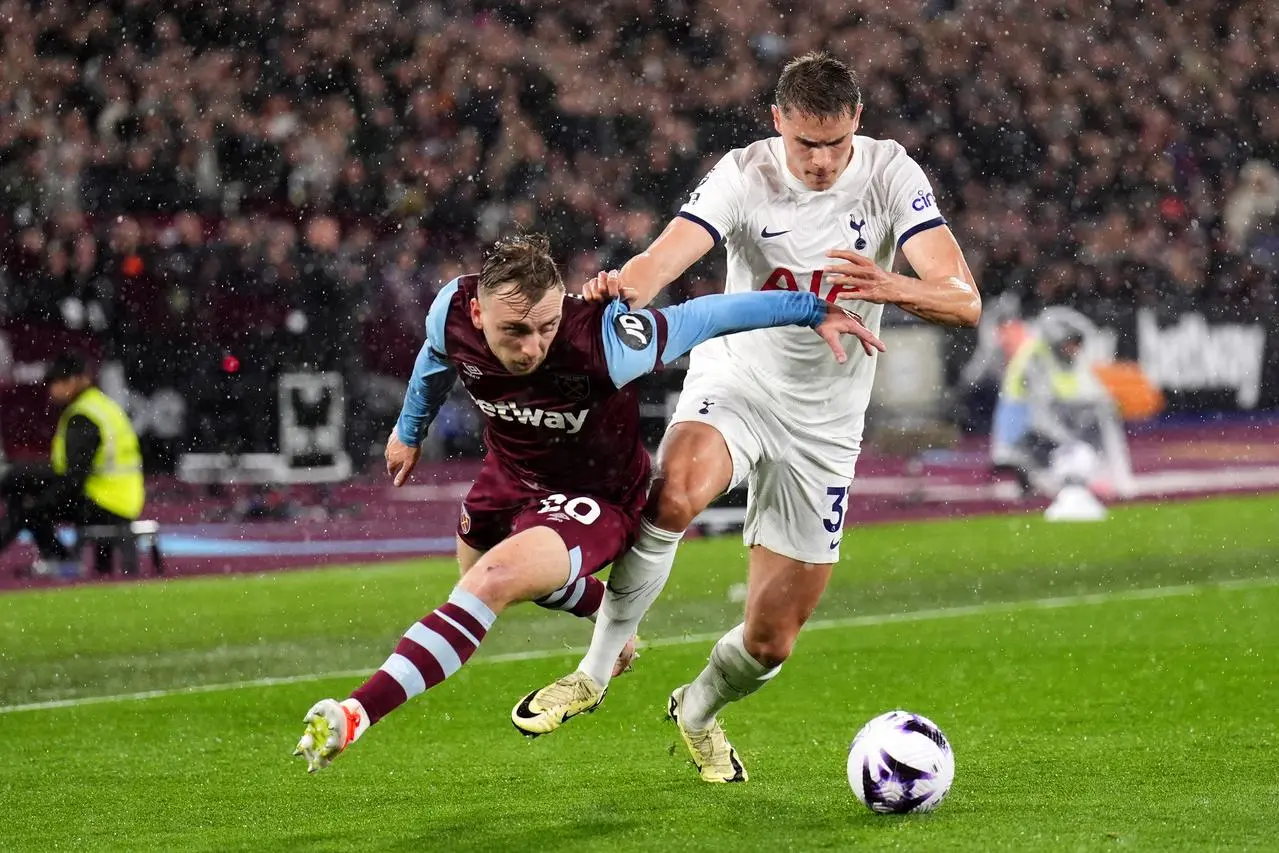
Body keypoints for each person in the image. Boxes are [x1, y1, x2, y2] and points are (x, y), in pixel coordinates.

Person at [514, 52, 982, 783]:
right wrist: (617, 291)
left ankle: (696, 710)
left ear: (856, 121)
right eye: (805, 144)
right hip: (738, 379)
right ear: (777, 124)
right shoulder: (742, 174)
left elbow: (962, 299)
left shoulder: (892, 173)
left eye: (834, 143)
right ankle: (594, 673)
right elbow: (662, 258)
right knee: (673, 490)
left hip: (826, 422)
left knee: (771, 641)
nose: (822, 161)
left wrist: (888, 285)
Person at [293, 233, 883, 772]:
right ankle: (606, 610)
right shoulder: (451, 309)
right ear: (478, 313)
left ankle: (353, 714)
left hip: (594, 498)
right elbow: (434, 356)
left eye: (545, 327)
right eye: (515, 333)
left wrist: (812, 309)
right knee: (475, 579)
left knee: (490, 582)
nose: (533, 347)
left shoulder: (606, 342)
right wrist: (409, 430)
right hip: (508, 477)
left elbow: (707, 317)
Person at [0, 353, 145, 578]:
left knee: (24, 502)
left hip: (105, 502)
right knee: (21, 485)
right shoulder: (99, 405)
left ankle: (60, 559)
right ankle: (59, 558)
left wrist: (38, 503)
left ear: (78, 380)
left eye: (57, 383)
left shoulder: (83, 416)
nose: (52, 391)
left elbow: (73, 478)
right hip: (120, 498)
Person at [991, 308, 1135, 501]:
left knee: (1102, 411)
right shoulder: (1034, 358)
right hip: (1024, 431)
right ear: (1058, 340)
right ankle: (1055, 474)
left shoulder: (1062, 356)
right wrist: (1071, 442)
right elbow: (1040, 414)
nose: (1075, 350)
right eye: (1071, 344)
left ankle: (1107, 476)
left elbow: (1091, 392)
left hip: (1050, 425)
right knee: (1093, 422)